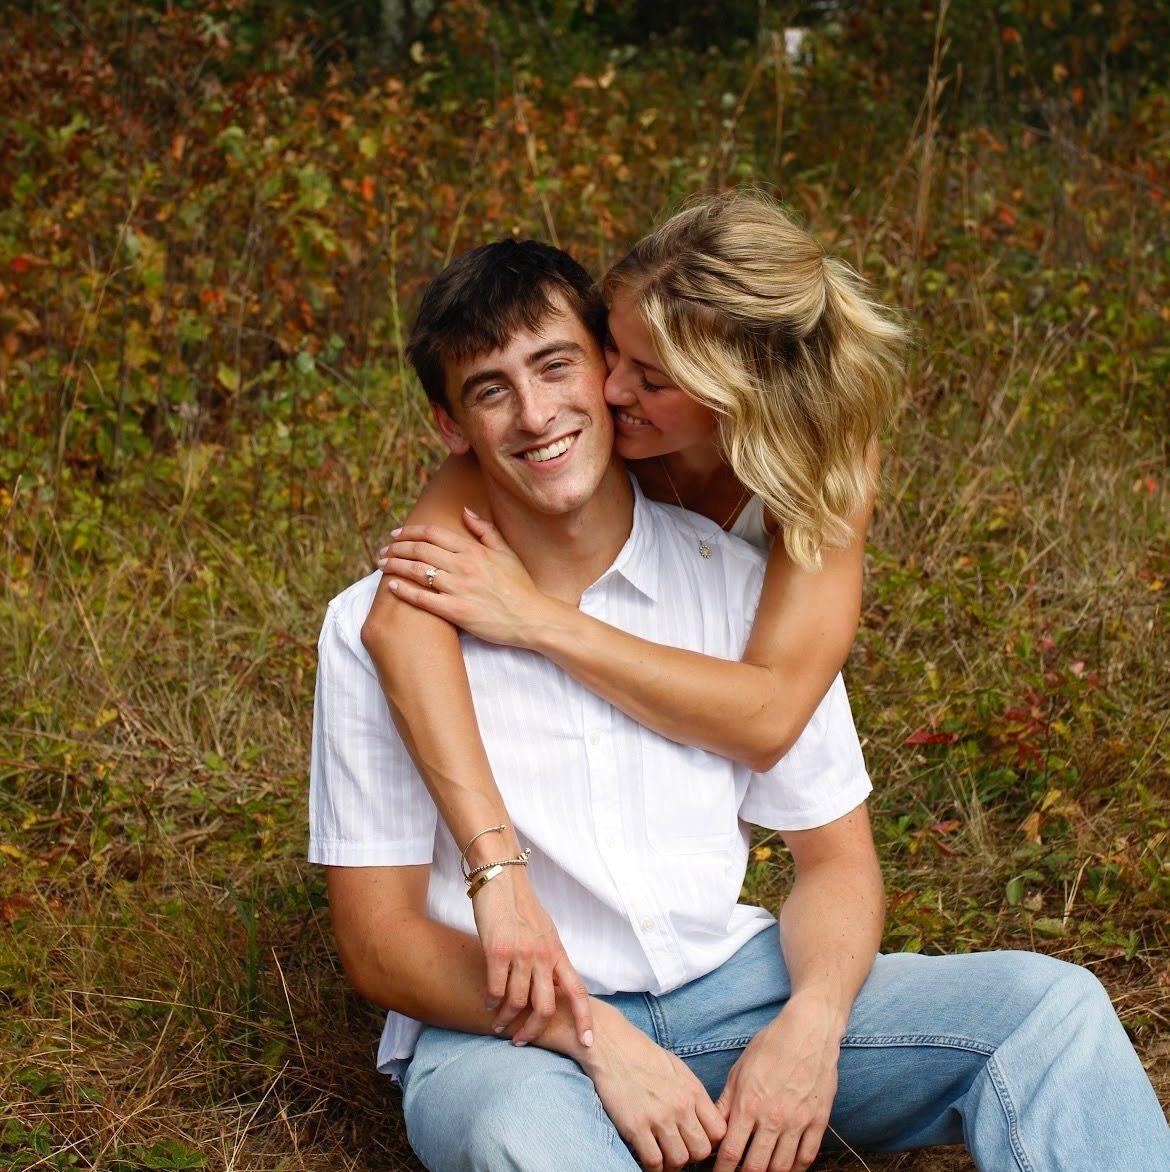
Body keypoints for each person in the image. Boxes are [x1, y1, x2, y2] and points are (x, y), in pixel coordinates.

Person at [310, 238, 1170, 1172]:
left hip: (734, 988)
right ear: (451, 426)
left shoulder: (742, 582)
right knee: (521, 1135)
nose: (536, 412)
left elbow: (836, 862)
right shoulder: (380, 626)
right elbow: (381, 942)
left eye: (558, 367)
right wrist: (592, 1033)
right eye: (491, 390)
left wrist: (812, 1024)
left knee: (1048, 1012)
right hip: (512, 1036)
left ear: (606, 373)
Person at [362, 193, 903, 1064]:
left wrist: (538, 620)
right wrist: (497, 871)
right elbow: (401, 618)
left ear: (739, 393)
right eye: (613, 352)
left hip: (710, 661)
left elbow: (770, 715)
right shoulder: (568, 428)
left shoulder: (824, 462)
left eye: (650, 380)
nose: (610, 392)